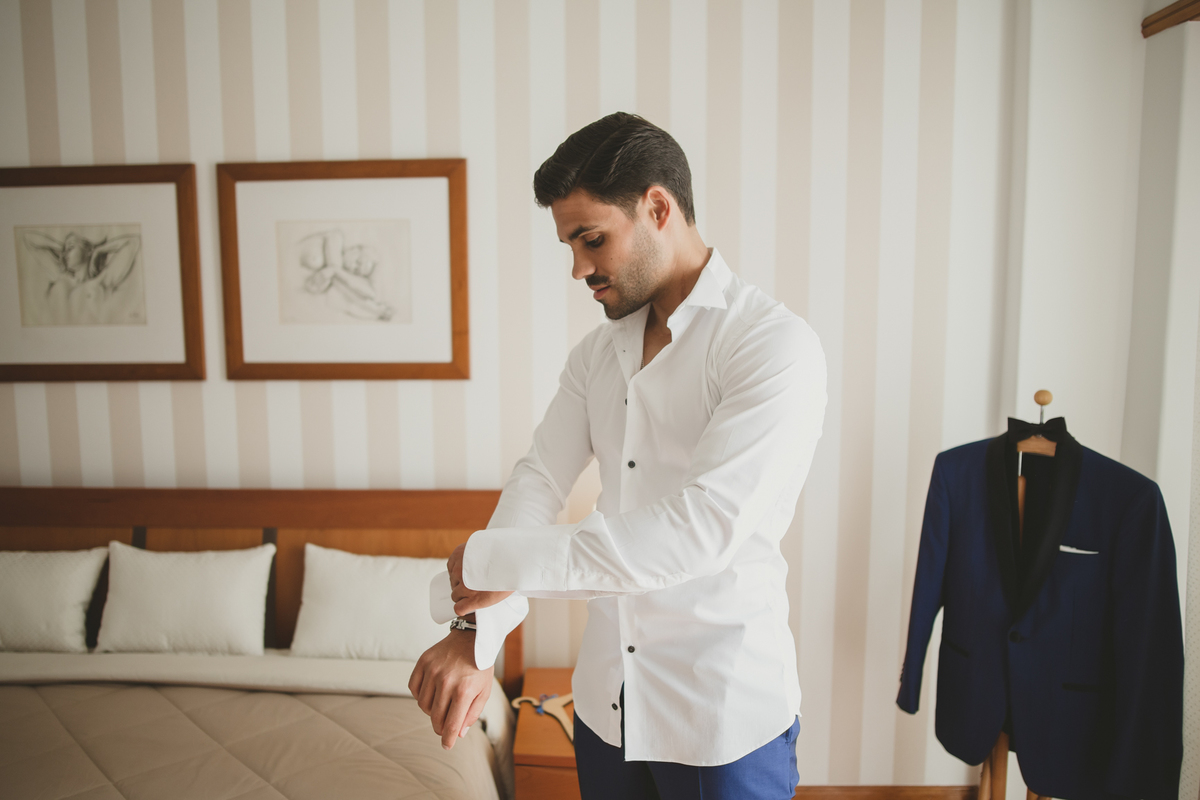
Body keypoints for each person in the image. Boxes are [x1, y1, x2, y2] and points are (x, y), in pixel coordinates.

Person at [409, 112, 827, 800]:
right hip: (608, 705)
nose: (578, 268)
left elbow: (697, 531)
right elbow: (540, 479)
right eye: (569, 244)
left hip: (721, 717)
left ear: (657, 207)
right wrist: (474, 629)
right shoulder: (597, 355)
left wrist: (488, 564)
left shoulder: (773, 347)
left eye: (591, 239)